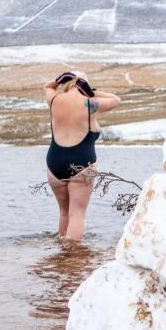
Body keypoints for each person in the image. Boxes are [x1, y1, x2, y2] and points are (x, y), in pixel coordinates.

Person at [43, 71, 120, 240]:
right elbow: (115, 100)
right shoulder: (90, 104)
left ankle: (62, 257)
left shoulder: (54, 100)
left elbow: (47, 87)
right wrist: (91, 92)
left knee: (64, 213)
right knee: (77, 214)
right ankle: (74, 259)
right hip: (81, 163)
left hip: (54, 164)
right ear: (85, 85)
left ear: (66, 83)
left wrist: (58, 80)